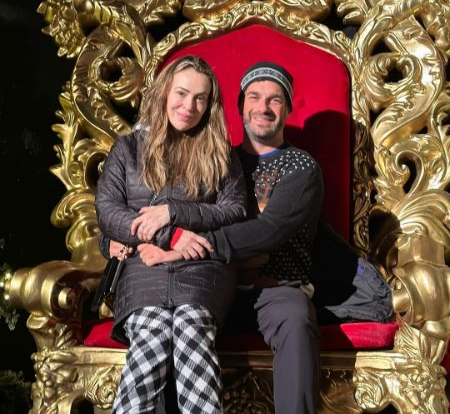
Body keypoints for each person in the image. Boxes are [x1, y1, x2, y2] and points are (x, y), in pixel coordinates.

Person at [130, 61, 324, 414]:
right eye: (254, 97)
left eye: (275, 99)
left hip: (273, 289)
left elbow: (268, 230)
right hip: (213, 284)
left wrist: (187, 249)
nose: (264, 107)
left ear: (288, 109)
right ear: (239, 106)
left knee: (296, 317)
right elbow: (156, 208)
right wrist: (116, 239)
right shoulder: (215, 161)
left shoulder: (300, 167)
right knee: (170, 318)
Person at [95, 55, 247, 414]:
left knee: (192, 333)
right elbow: (108, 212)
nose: (189, 106)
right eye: (181, 93)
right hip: (143, 270)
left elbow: (235, 210)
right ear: (165, 92)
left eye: (200, 98)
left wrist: (174, 212)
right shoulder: (127, 149)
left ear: (210, 105)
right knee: (151, 337)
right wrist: (171, 234)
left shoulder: (221, 153)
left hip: (201, 268)